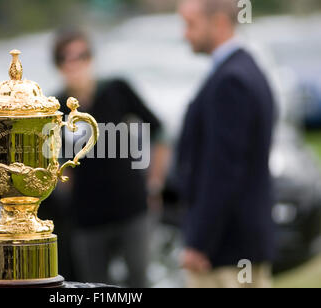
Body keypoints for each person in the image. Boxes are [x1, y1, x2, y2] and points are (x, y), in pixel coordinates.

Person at [48, 29, 170, 287]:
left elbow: (159, 131)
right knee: (94, 286)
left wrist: (155, 182)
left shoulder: (116, 90)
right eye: (65, 58)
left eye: (81, 56)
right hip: (86, 216)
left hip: (131, 208)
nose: (74, 64)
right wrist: (63, 181)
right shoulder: (54, 107)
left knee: (139, 280)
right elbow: (49, 157)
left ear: (91, 58)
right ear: (58, 65)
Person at [176, 0, 276, 288]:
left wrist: (199, 242)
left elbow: (223, 170)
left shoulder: (231, 80)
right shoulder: (242, 69)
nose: (185, 34)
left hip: (226, 251)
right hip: (235, 245)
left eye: (190, 24)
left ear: (219, 23)